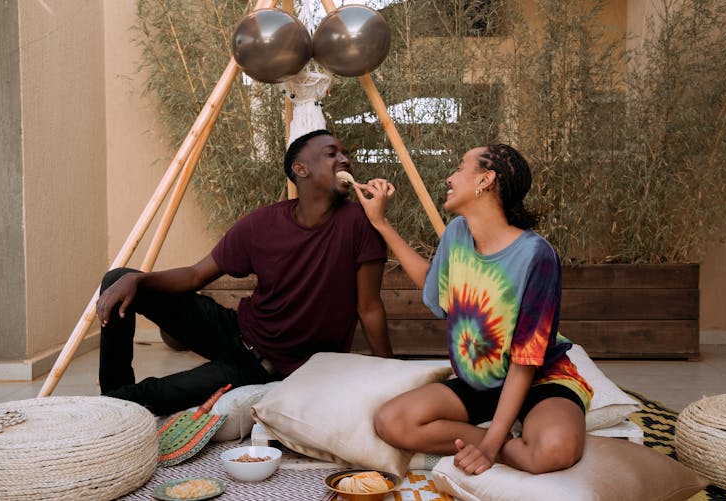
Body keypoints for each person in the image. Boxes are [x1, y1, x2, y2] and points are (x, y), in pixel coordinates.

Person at [97, 129, 392, 416]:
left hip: (258, 368)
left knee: (148, 398)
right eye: (331, 154)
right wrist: (139, 279)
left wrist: (390, 379)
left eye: (345, 154)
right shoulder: (261, 224)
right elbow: (195, 276)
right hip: (233, 331)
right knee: (119, 280)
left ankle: (112, 411)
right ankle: (112, 406)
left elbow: (369, 308)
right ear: (301, 169)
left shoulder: (360, 223)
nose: (344, 159)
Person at [352, 144, 593, 475]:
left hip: (539, 377)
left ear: (486, 179)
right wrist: (380, 222)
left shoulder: (537, 255)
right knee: (392, 422)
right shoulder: (457, 234)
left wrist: (489, 449)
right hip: (481, 382)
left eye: (460, 167)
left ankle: (508, 438)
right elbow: (434, 283)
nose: (450, 177)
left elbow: (525, 360)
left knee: (552, 452)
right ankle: (510, 441)